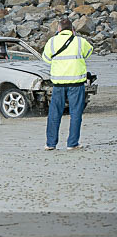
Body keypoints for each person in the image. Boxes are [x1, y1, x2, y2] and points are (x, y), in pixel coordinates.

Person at [42, 18, 93, 151]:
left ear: (58, 29)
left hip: (58, 84)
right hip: (76, 83)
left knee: (54, 114)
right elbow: (88, 53)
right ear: (72, 30)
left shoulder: (52, 42)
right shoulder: (80, 41)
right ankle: (72, 143)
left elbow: (46, 59)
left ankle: (50, 144)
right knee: (75, 114)